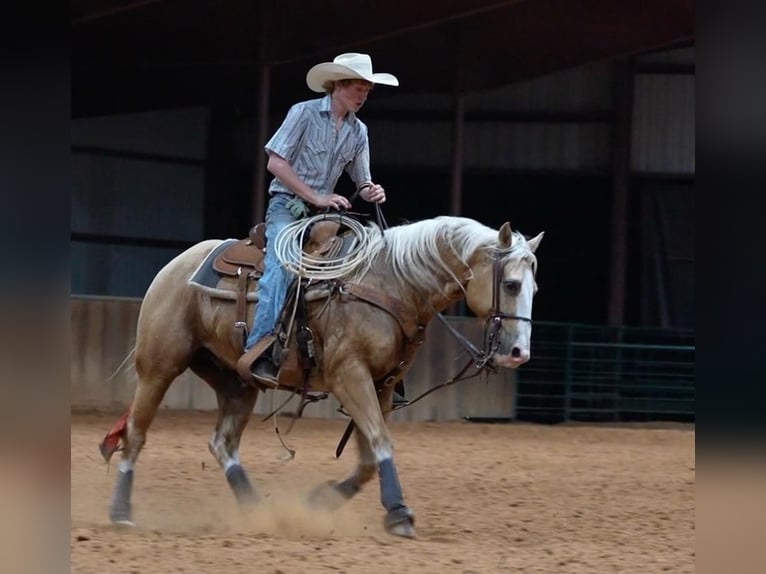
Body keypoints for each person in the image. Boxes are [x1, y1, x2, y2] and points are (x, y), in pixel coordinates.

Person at [241, 53, 399, 389]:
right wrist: (316, 197)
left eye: (368, 91)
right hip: (287, 206)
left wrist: (372, 191)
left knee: (367, 265)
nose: (363, 96)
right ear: (339, 85)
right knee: (280, 265)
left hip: (322, 215)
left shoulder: (359, 132)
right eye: (359, 88)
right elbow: (276, 163)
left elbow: (363, 181)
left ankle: (374, 361)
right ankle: (259, 348)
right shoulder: (303, 113)